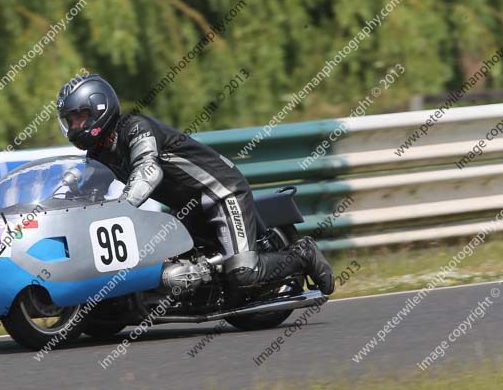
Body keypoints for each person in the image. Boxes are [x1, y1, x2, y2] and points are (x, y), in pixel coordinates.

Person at [56, 74, 334, 295]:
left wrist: (123, 205)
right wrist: (62, 208)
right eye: (70, 121)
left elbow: (148, 170)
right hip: (187, 208)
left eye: (79, 117)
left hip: (221, 192)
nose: (75, 126)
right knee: (174, 270)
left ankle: (302, 254)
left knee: (242, 274)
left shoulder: (135, 128)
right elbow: (86, 195)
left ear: (98, 108)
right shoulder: (97, 154)